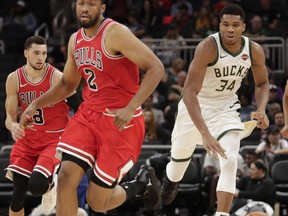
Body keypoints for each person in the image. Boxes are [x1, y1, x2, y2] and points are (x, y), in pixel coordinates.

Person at [20, 0, 165, 215]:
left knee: (97, 202)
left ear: (102, 7)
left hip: (120, 120)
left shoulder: (116, 33)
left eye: (91, 3)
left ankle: (142, 184)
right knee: (66, 177)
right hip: (88, 116)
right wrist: (35, 103)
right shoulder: (74, 40)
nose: (85, 8)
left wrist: (132, 106)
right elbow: (69, 84)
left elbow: (156, 68)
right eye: (80, 3)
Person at [160, 4, 270, 216]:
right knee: (177, 168)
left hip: (225, 107)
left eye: (235, 25)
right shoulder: (207, 47)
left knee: (230, 158)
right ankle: (170, 179)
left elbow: (263, 84)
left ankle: (222, 213)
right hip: (195, 107)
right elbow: (189, 92)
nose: (230, 29)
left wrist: (262, 109)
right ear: (219, 25)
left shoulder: (253, 50)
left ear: (243, 27)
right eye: (226, 24)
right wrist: (204, 133)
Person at [4, 35, 81, 216]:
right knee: (17, 197)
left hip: (53, 139)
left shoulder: (57, 77)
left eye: (44, 53)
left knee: (37, 186)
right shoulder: (14, 79)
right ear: (26, 53)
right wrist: (12, 125)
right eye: (36, 53)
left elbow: (80, 108)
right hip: (27, 140)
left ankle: (51, 185)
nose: (40, 57)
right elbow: (9, 116)